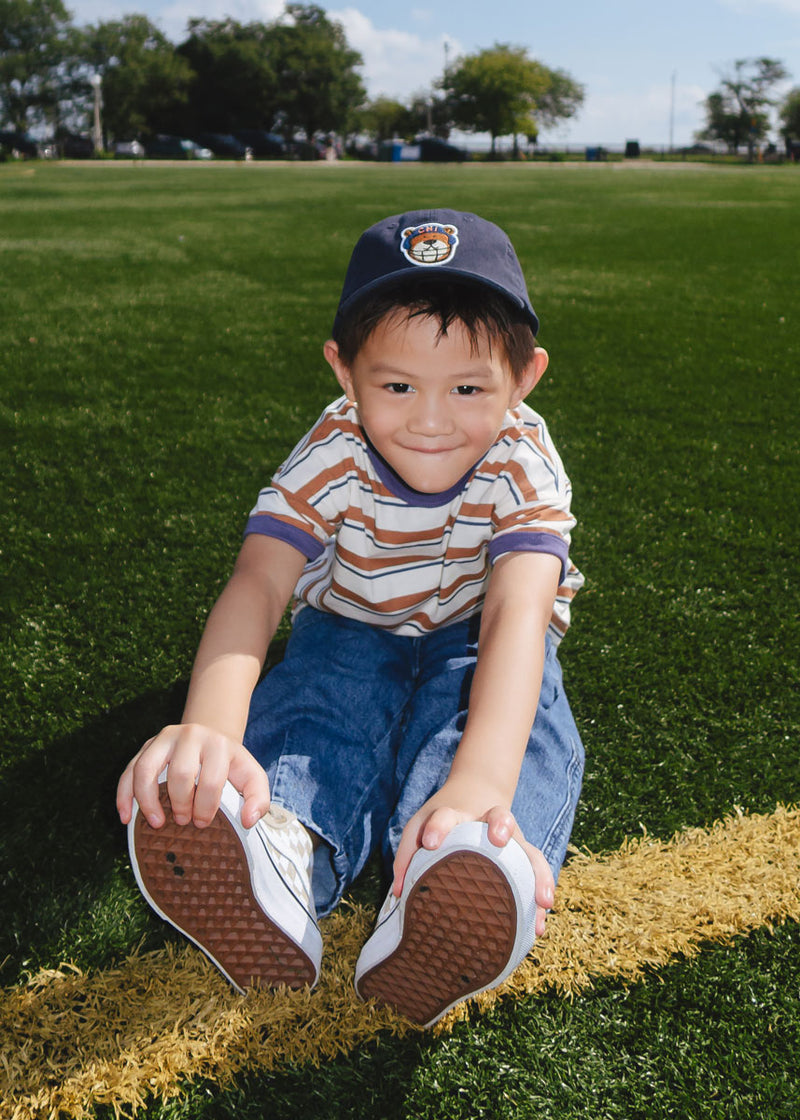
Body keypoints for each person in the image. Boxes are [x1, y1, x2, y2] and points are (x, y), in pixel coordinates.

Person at [117, 208, 585, 1028]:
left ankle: (456, 868)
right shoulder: (332, 451)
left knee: (512, 719)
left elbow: (517, 614)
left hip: (479, 628)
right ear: (344, 371)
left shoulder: (524, 456)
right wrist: (211, 730)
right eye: (397, 385)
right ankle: (286, 850)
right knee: (319, 709)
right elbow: (259, 583)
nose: (432, 420)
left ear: (525, 377)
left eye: (468, 388)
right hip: (353, 619)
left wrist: (477, 783)